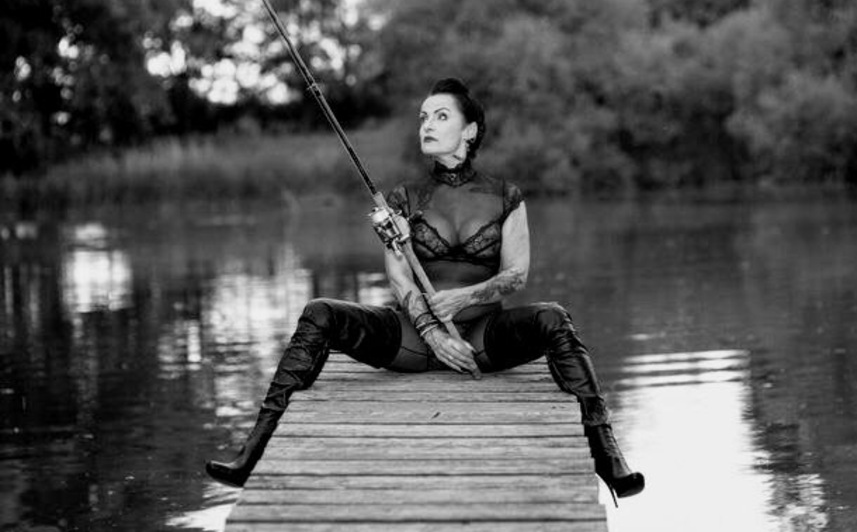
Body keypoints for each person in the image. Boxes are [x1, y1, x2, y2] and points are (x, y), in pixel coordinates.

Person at [205, 77, 645, 504]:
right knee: (319, 312)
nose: (427, 125)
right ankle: (253, 452)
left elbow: (516, 275)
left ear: (469, 131)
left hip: (481, 339)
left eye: (440, 116)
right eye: (422, 118)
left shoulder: (506, 197)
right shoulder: (402, 199)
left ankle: (607, 454)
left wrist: (465, 297)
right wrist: (432, 333)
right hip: (412, 339)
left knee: (554, 318)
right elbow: (400, 279)